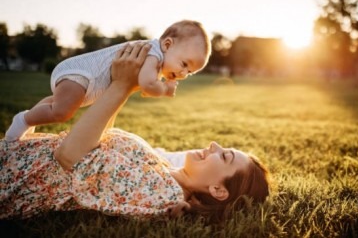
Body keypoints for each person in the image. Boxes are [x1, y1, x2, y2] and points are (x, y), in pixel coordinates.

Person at [0, 43, 271, 222]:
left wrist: (121, 85)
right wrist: (127, 85)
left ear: (218, 190)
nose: (214, 145)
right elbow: (102, 139)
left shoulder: (163, 194)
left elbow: (70, 157)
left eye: (224, 157)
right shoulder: (165, 170)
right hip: (15, 156)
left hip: (11, 180)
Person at [5, 20, 211, 142]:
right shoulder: (153, 53)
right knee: (62, 112)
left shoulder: (155, 61)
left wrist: (155, 86)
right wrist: (164, 90)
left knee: (56, 103)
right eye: (184, 64)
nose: (184, 73)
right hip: (81, 74)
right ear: (167, 44)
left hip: (83, 79)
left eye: (190, 72)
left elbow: (144, 86)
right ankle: (23, 119)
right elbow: (147, 84)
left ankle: (32, 119)